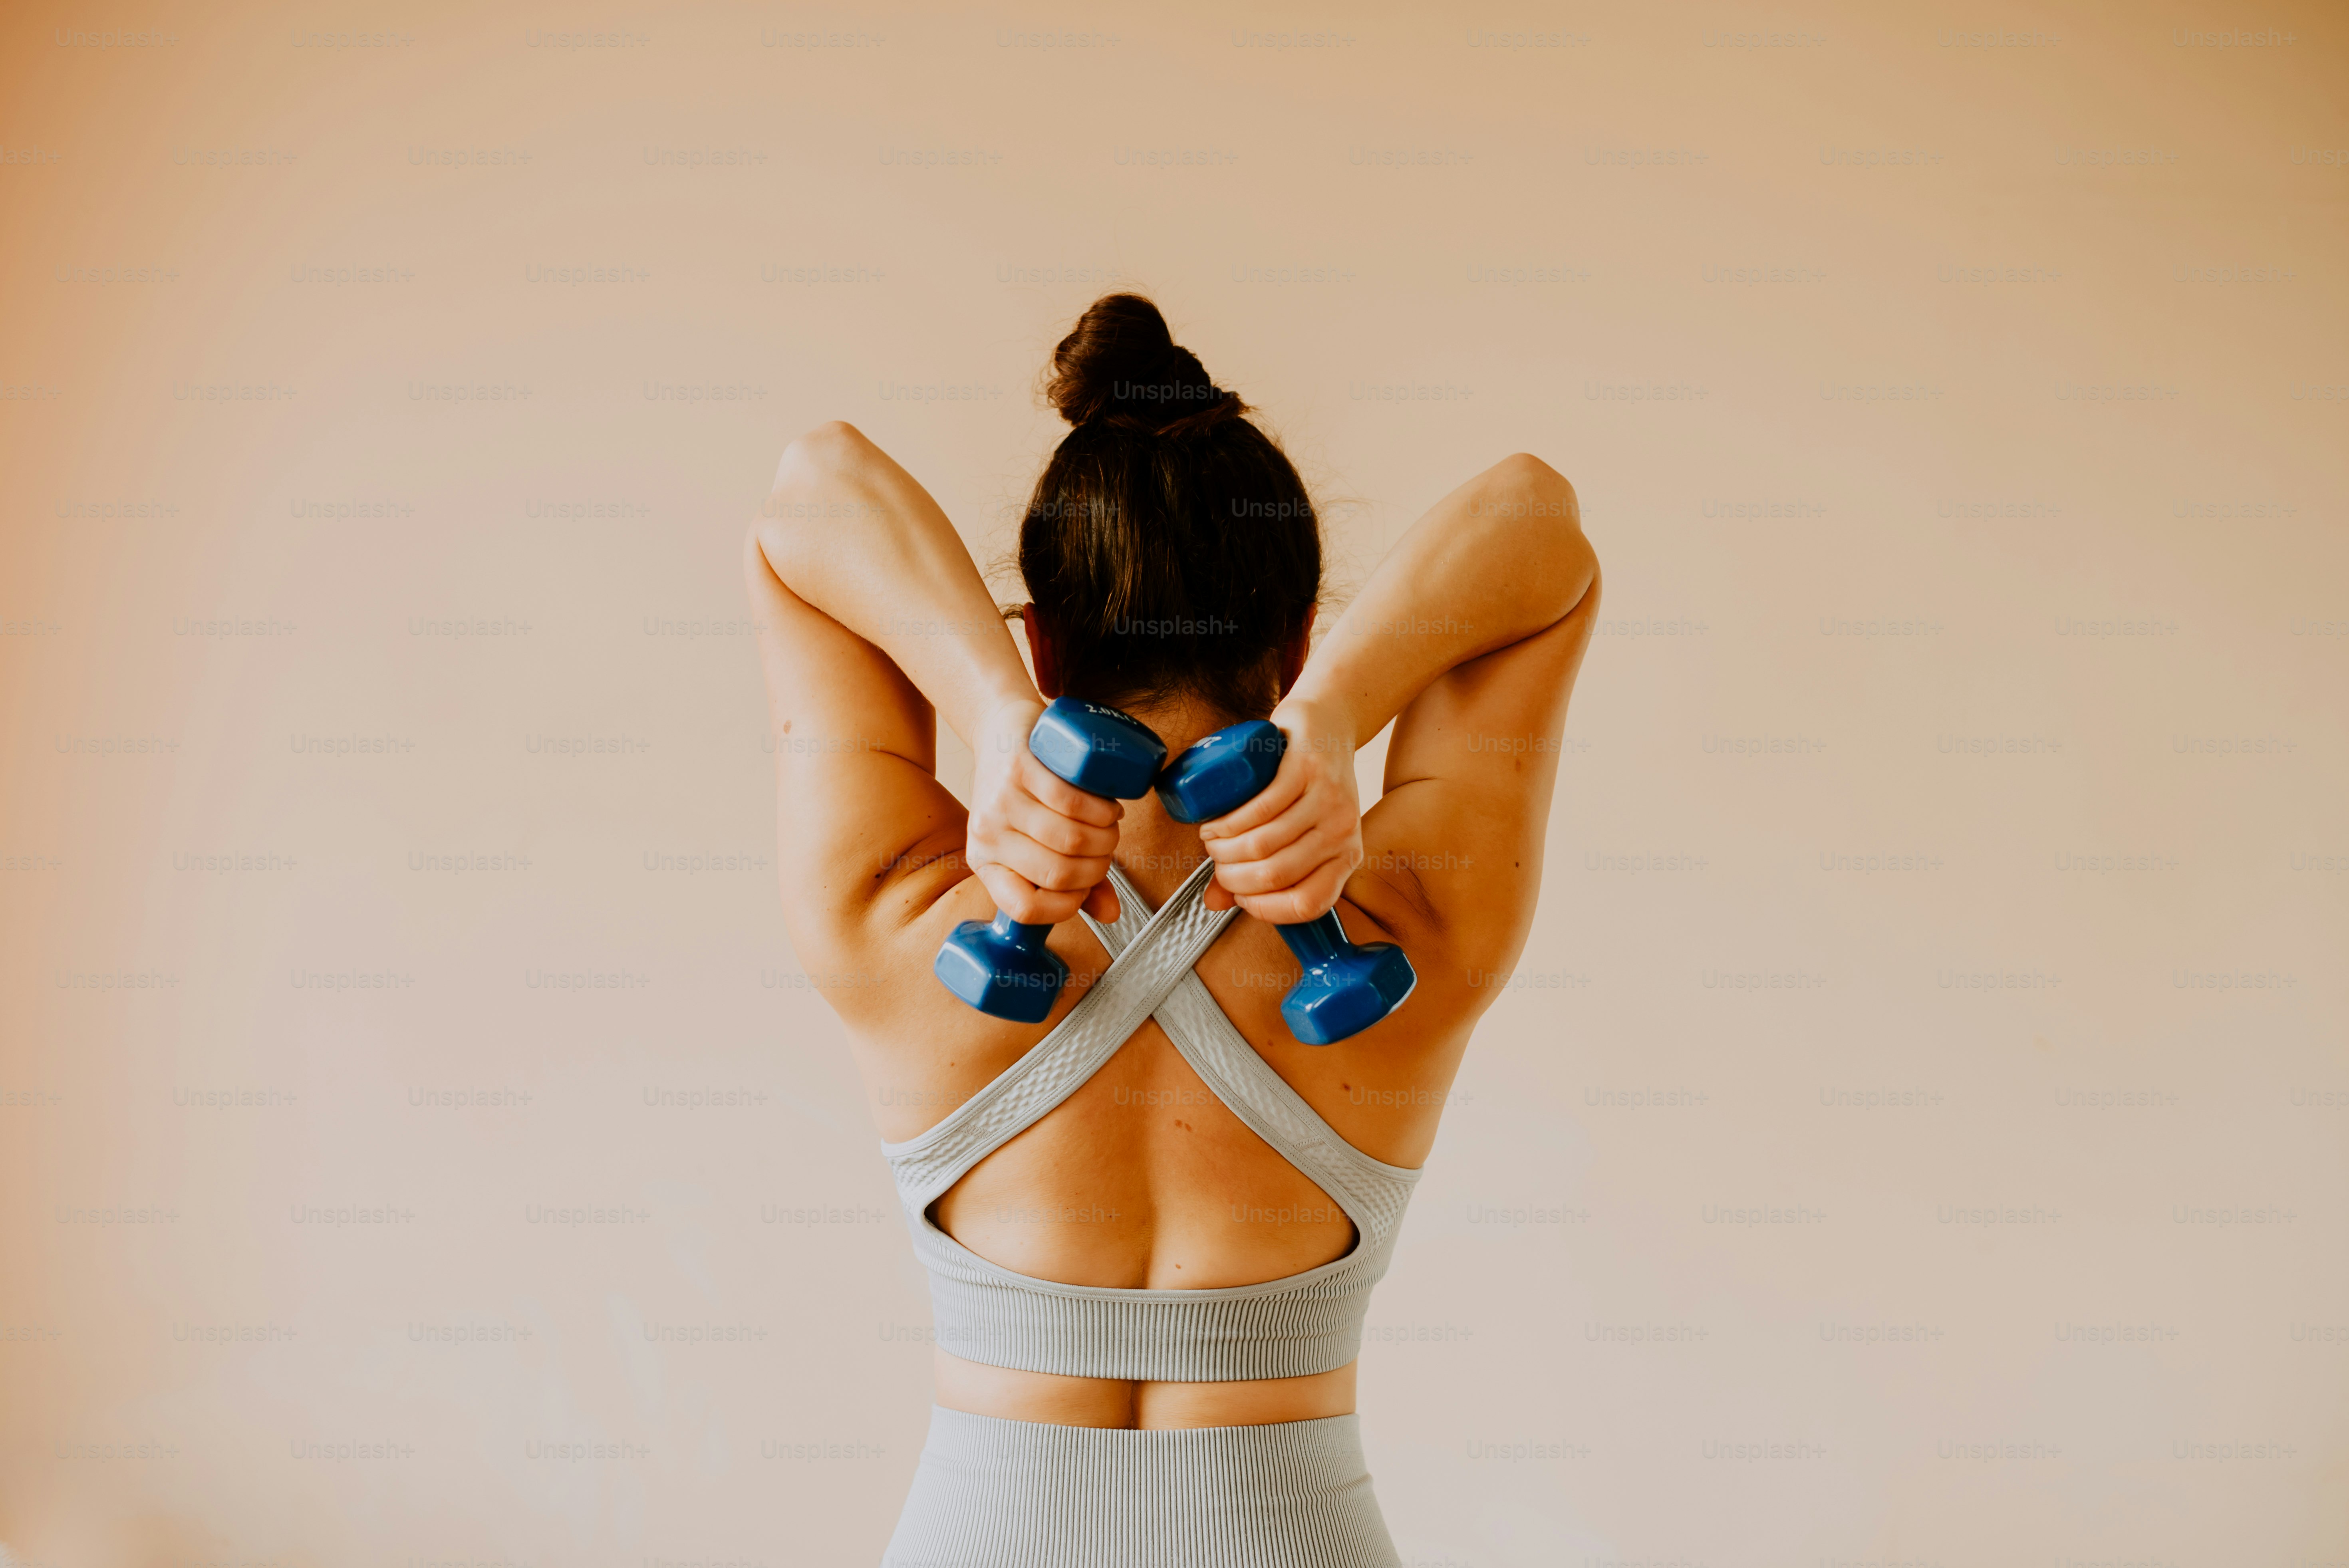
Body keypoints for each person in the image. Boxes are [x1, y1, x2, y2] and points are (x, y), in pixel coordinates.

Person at [745, 294, 1600, 1567]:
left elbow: (810, 490)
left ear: (1039, 634)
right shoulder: (1414, 926)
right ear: (1304, 629)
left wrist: (991, 709)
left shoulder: (898, 909)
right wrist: (1338, 709)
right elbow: (1538, 522)